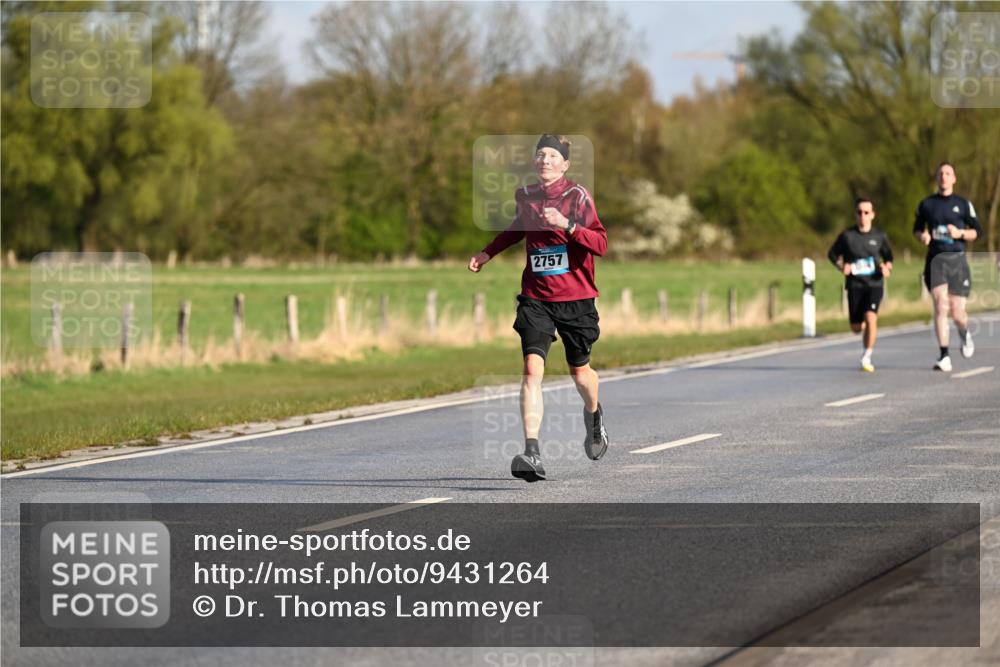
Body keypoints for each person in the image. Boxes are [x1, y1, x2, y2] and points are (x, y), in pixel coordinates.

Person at [468, 134, 609, 482]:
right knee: (532, 370)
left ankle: (593, 416)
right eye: (539, 155)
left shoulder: (578, 197)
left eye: (551, 156)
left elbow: (601, 244)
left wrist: (569, 226)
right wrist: (488, 252)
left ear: (565, 164)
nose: (544, 160)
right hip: (536, 297)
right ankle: (532, 452)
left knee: (581, 375)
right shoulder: (526, 196)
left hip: (576, 299)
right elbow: (519, 227)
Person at [913, 162, 982, 372]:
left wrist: (960, 234)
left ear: (954, 179)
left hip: (957, 261)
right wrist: (922, 236)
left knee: (957, 312)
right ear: (936, 178)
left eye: (948, 173)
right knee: (941, 305)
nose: (944, 177)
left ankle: (964, 332)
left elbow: (977, 232)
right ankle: (944, 355)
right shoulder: (926, 204)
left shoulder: (963, 204)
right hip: (935, 261)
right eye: (941, 173)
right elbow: (916, 229)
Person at [827, 197, 894, 372]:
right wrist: (842, 266)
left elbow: (889, 257)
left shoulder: (879, 236)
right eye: (859, 212)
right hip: (855, 285)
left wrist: (887, 268)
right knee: (856, 328)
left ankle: (867, 355)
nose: (863, 216)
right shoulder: (847, 236)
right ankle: (862, 327)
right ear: (855, 215)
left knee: (871, 317)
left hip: (874, 284)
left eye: (866, 212)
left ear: (872, 215)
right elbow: (832, 255)